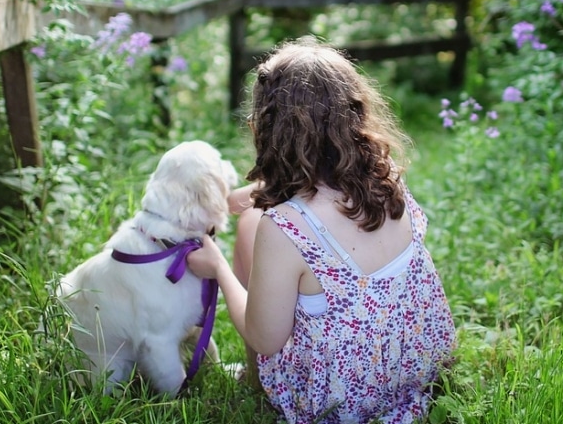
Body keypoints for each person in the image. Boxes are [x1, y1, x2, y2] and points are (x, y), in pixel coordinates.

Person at [186, 38, 456, 424]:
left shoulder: (284, 228)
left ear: (267, 128)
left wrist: (220, 270)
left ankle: (255, 380)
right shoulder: (386, 178)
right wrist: (229, 198)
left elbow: (266, 340)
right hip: (412, 370)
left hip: (340, 400)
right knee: (250, 218)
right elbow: (292, 196)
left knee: (251, 225)